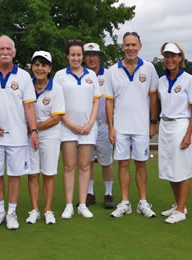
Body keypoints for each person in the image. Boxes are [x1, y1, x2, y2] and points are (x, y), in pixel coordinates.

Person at [0, 35, 39, 230]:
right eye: (1, 49)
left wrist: (35, 131)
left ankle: (11, 212)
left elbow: (29, 107)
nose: (5, 52)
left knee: (14, 175)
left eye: (8, 49)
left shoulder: (23, 76)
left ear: (14, 52)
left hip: (18, 136)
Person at [103, 32, 159, 218]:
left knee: (141, 164)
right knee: (123, 164)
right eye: (127, 45)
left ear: (140, 46)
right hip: (120, 127)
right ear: (122, 47)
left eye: (134, 45)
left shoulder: (149, 68)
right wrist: (111, 127)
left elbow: (153, 97)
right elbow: (109, 102)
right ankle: (125, 202)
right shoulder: (112, 71)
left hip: (142, 126)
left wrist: (152, 123)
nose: (130, 48)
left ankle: (143, 202)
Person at [54, 40, 100, 219]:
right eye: (72, 55)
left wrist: (89, 123)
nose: (76, 58)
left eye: (79, 55)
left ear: (83, 56)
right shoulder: (59, 76)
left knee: (84, 165)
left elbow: (96, 101)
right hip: (67, 127)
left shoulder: (92, 76)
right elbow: (57, 104)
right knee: (69, 165)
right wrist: (70, 124)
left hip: (88, 128)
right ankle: (68, 205)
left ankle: (82, 204)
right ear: (67, 56)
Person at [156, 42, 192, 224]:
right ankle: (178, 204)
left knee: (182, 168)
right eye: (167, 56)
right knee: (169, 168)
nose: (170, 59)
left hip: (181, 125)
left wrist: (189, 134)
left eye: (173, 56)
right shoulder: (161, 81)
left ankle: (181, 210)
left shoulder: (188, 79)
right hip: (165, 125)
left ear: (180, 58)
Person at [26, 51, 65, 224]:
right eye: (36, 65)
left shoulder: (56, 88)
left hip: (49, 135)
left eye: (43, 65)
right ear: (32, 67)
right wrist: (31, 130)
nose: (40, 68)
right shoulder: (26, 85)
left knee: (48, 174)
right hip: (29, 135)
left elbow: (56, 118)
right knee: (33, 173)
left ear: (50, 68)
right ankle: (35, 210)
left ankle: (48, 210)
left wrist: (33, 128)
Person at [83, 42, 116, 209]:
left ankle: (108, 194)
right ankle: (89, 193)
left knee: (106, 161)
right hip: (85, 126)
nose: (91, 58)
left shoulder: (109, 74)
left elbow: (114, 99)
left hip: (103, 125)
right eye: (88, 55)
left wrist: (112, 125)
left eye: (95, 54)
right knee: (86, 161)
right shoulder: (80, 74)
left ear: (99, 57)